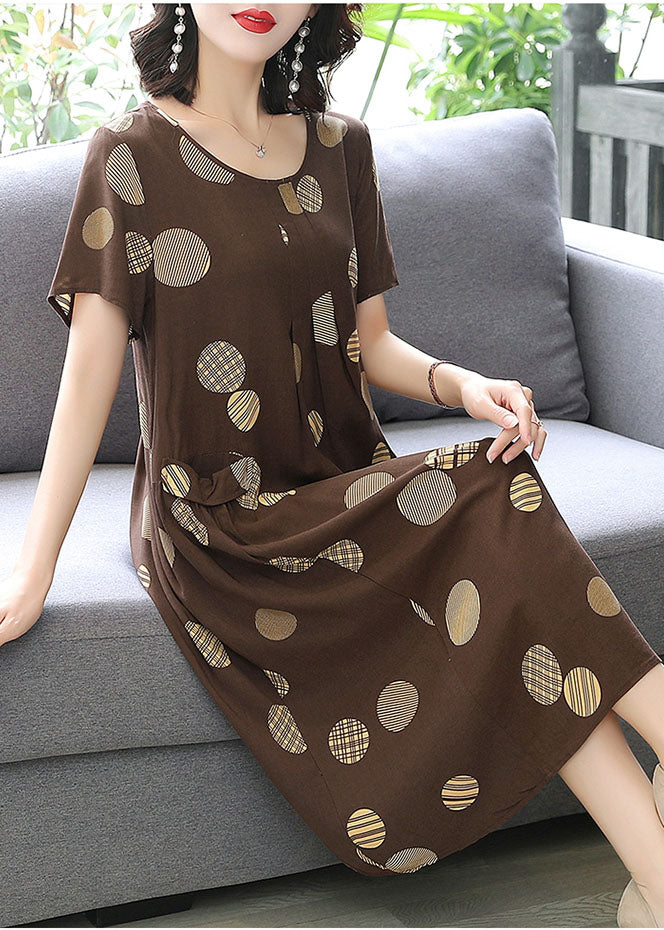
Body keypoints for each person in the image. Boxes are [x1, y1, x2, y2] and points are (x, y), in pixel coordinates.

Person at [1, 3, 663, 923]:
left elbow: (370, 343)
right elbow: (88, 379)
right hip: (221, 521)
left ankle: (655, 886)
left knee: (509, 556)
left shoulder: (339, 147)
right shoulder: (130, 156)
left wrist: (466, 385)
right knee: (489, 494)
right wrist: (32, 573)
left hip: (341, 481)